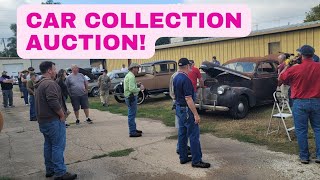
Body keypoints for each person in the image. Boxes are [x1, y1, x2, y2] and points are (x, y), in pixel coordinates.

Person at [35, 61, 77, 180]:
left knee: (48, 145)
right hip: (53, 121)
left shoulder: (40, 83)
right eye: (54, 69)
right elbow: (53, 100)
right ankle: (60, 173)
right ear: (49, 70)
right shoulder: (50, 84)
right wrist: (61, 114)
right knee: (58, 146)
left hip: (44, 121)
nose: (55, 71)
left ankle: (50, 170)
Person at [279, 45, 320, 164]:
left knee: (301, 130)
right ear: (312, 55)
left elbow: (281, 79)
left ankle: (304, 156)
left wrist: (288, 65)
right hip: (317, 101)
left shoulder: (295, 69)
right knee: (318, 129)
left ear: (301, 55)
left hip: (300, 102)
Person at [173, 58, 210, 168]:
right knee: (194, 135)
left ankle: (183, 157)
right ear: (187, 66)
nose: (191, 67)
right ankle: (196, 160)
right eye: (190, 65)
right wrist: (196, 114)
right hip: (186, 110)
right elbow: (189, 99)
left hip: (179, 108)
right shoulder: (186, 79)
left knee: (182, 133)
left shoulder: (176, 77)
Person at [169, 70, 191, 155]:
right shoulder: (181, 77)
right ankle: (181, 147)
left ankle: (182, 147)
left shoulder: (175, 76)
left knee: (181, 127)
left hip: (177, 103)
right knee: (183, 128)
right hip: (180, 103)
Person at [124, 63, 145, 137]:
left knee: (132, 114)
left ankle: (133, 129)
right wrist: (140, 88)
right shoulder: (131, 76)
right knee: (132, 115)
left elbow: (130, 86)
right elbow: (132, 89)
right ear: (133, 68)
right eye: (137, 68)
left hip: (129, 97)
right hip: (131, 97)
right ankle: (132, 132)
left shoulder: (129, 75)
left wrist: (137, 85)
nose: (138, 70)